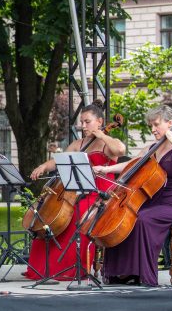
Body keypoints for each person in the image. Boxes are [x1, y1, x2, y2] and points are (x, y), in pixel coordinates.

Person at [93, 105, 172, 286]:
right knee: (124, 218)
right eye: (151, 126)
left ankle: (143, 274)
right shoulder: (152, 149)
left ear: (170, 123)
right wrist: (106, 169)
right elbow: (132, 165)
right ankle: (122, 273)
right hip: (153, 202)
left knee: (141, 219)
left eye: (156, 124)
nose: (153, 129)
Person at [25, 100, 126, 280]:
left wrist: (101, 135)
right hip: (80, 192)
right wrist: (43, 167)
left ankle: (71, 270)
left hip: (101, 196)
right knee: (50, 222)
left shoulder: (107, 143)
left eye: (87, 122)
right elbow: (58, 160)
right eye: (82, 122)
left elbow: (120, 149)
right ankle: (42, 269)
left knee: (77, 219)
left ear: (100, 122)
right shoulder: (78, 144)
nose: (83, 126)